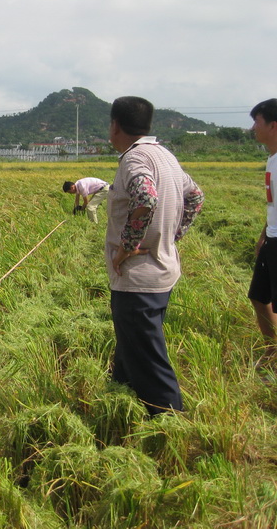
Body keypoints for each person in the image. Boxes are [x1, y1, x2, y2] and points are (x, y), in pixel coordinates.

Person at [105, 96, 204, 416]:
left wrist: (126, 246)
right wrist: (172, 237)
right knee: (132, 349)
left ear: (115, 125)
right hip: (161, 271)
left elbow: (146, 197)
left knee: (150, 363)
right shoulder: (164, 155)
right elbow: (195, 196)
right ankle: (118, 403)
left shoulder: (134, 159)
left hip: (138, 279)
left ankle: (170, 425)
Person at [247, 98, 277, 367]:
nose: (254, 127)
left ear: (273, 125)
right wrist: (264, 234)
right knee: (259, 296)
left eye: (257, 122)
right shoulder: (272, 159)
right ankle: (272, 350)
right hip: (272, 238)